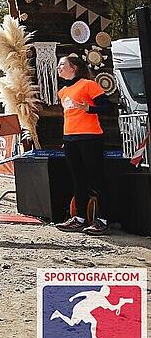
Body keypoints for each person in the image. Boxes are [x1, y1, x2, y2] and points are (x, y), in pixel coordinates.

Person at [55, 54, 110, 236]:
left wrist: (89, 109)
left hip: (90, 138)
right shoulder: (62, 92)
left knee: (97, 179)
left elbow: (107, 106)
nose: (59, 68)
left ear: (74, 68)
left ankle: (102, 220)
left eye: (62, 64)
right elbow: (69, 116)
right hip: (70, 139)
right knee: (77, 179)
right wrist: (65, 139)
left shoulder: (88, 85)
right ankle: (79, 218)